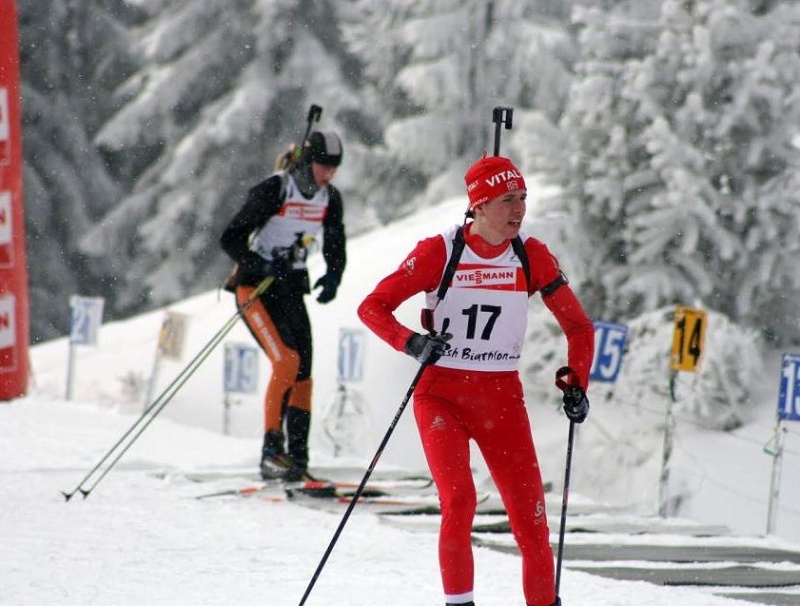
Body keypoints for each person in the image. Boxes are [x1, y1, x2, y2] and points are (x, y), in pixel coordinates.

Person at [357, 153, 594, 606]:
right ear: (479, 206)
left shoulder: (531, 254)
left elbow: (579, 328)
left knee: (532, 520)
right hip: (441, 395)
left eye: (522, 198)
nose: (518, 210)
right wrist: (411, 342)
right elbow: (372, 307)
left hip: (501, 397)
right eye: (507, 200)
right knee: (460, 501)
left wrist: (577, 382)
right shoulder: (440, 252)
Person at [220, 131, 346, 481]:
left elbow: (335, 242)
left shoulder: (329, 198)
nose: (329, 174)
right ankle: (271, 453)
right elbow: (230, 237)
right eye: (324, 166)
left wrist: (333, 277)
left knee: (303, 371)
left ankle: (298, 459)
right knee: (286, 361)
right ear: (308, 160)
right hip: (255, 289)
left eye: (335, 168)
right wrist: (260, 265)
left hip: (291, 287)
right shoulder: (275, 189)